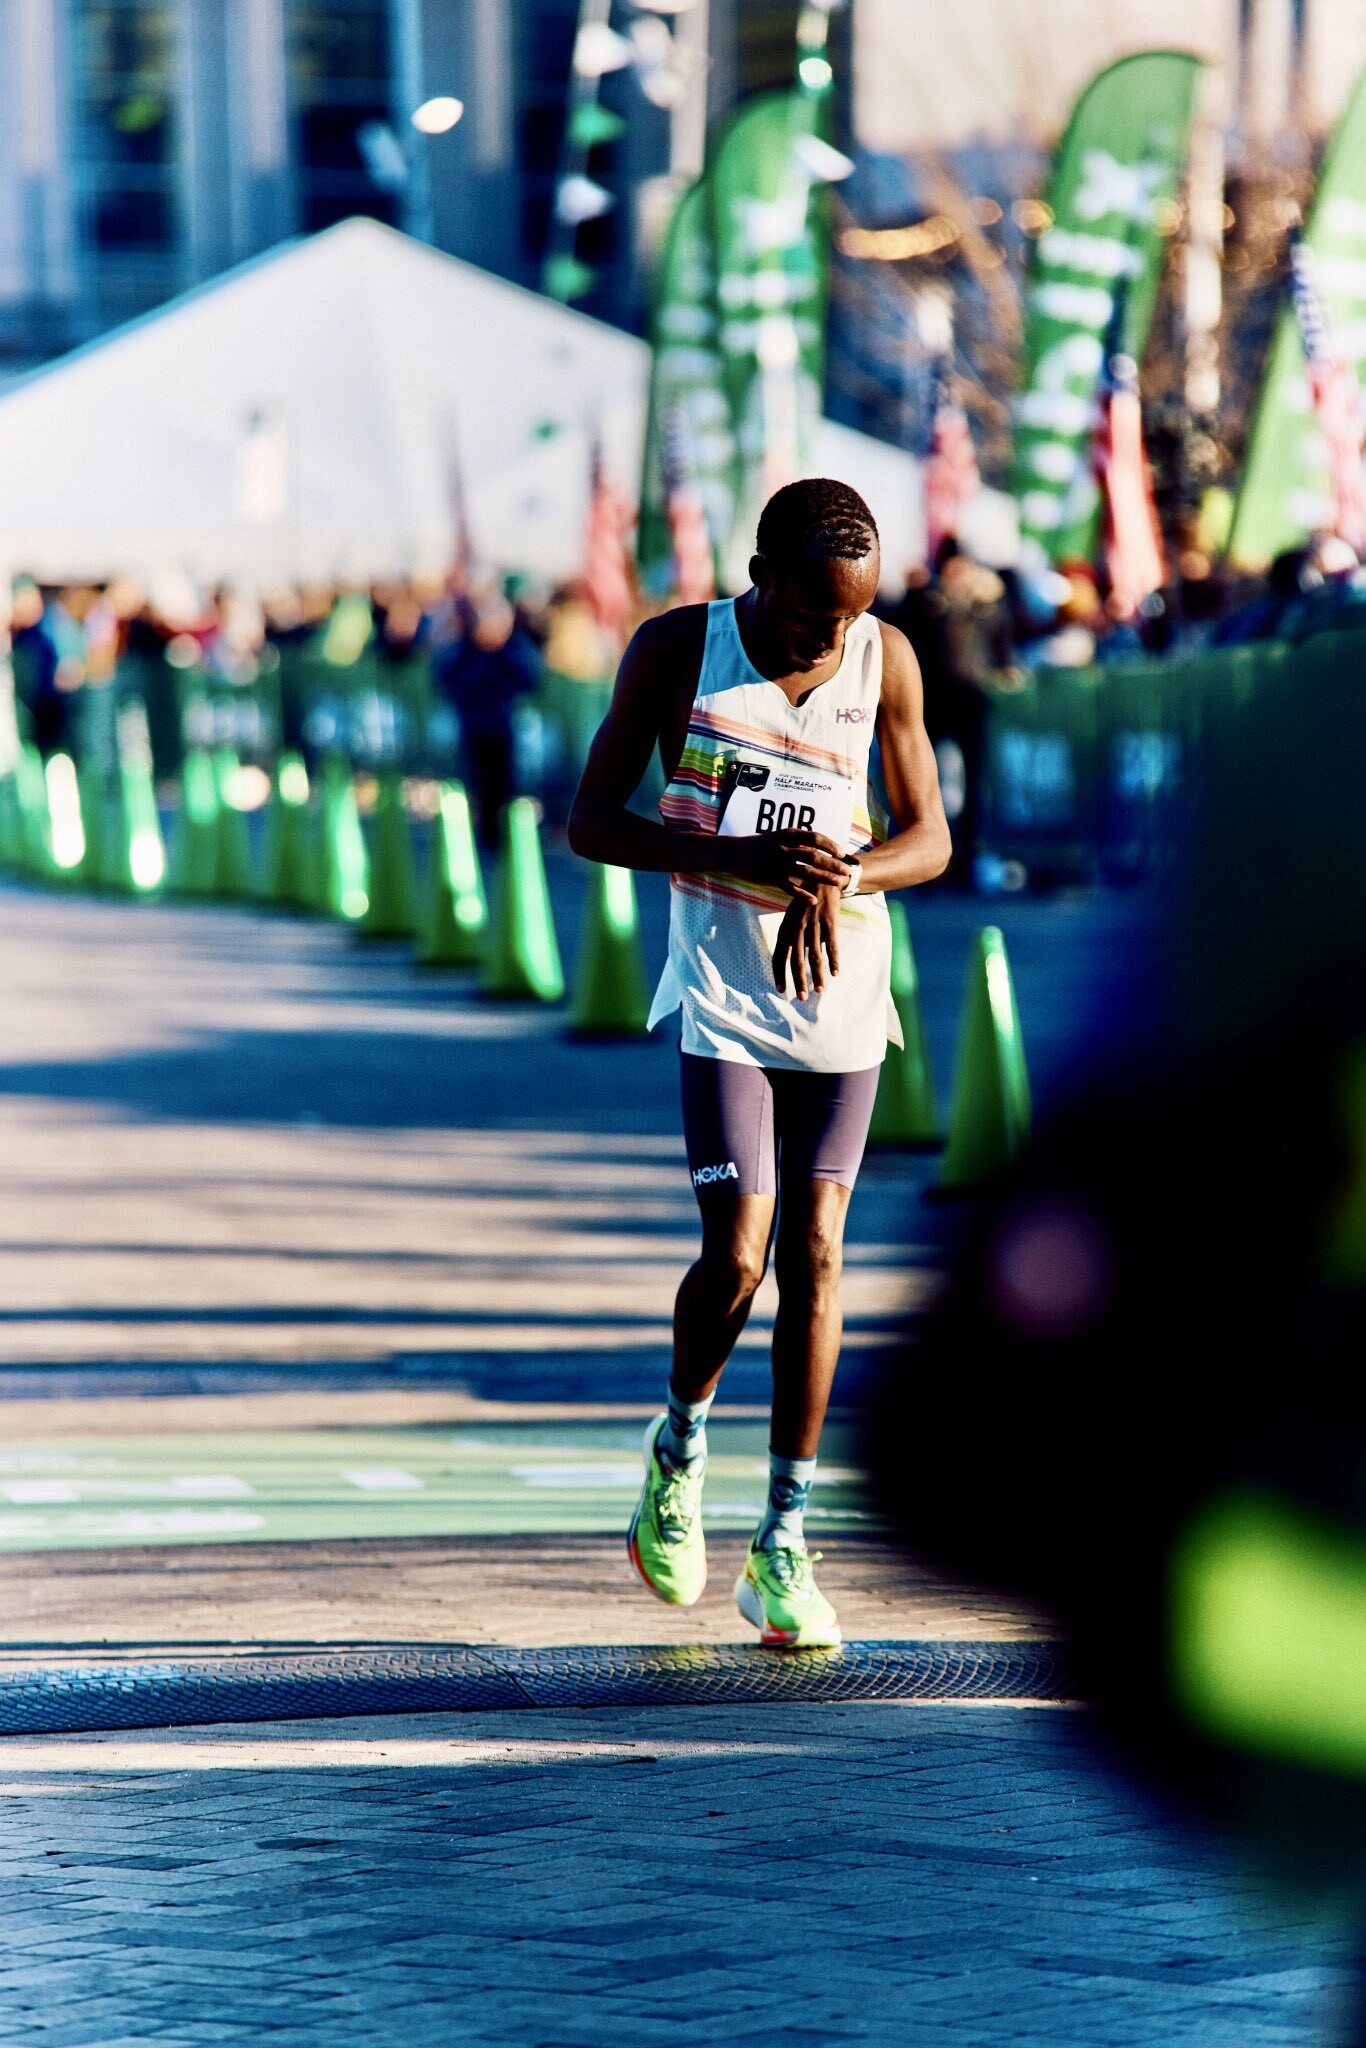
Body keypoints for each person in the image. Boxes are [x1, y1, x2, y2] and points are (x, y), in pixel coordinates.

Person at [568, 478, 950, 1649]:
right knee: (738, 1257)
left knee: (818, 1253)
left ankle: (783, 1536)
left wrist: (848, 872)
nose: (827, 638)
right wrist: (737, 856)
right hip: (725, 993)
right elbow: (591, 820)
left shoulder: (884, 657)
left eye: (847, 618)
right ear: (759, 574)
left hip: (841, 991)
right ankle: (678, 1445)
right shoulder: (678, 649)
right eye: (807, 616)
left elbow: (930, 836)